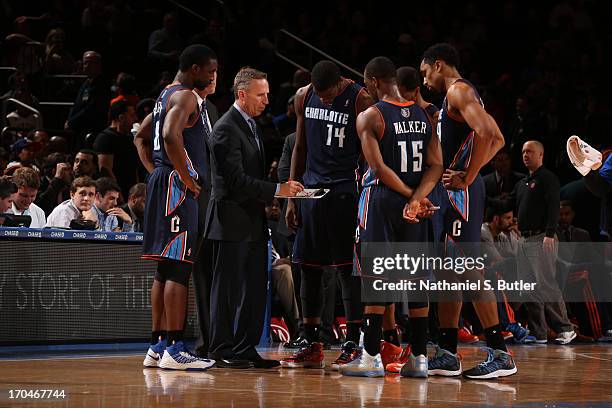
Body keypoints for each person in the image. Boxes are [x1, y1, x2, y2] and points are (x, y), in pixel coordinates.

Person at [339, 56, 443, 378]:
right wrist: (416, 198)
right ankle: (420, 360)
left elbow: (380, 169)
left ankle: (370, 356)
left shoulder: (371, 116)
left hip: (383, 200)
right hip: (416, 200)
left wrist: (405, 198)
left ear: (371, 82)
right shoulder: (425, 116)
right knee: (415, 276)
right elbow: (437, 165)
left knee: (377, 274)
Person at [419, 43, 515, 379]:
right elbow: (500, 139)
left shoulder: (458, 92)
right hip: (455, 191)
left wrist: (469, 175)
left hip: (462, 194)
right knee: (449, 273)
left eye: (426, 71)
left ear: (439, 64)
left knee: (468, 271)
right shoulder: (453, 98)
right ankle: (447, 352)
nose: (425, 79)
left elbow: (488, 133)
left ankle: (500, 354)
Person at [205, 67, 303, 369]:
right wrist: (277, 189)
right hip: (230, 220)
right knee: (228, 289)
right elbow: (235, 180)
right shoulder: (225, 128)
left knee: (255, 287)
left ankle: (246, 347)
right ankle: (221, 348)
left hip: (252, 220)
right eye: (261, 95)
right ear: (242, 94)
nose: (266, 100)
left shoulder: (252, 125)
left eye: (268, 94)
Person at [282, 60, 373, 370]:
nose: (323, 99)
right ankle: (310, 340)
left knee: (348, 270)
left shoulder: (359, 98)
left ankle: (353, 341)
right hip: (311, 192)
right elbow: (300, 147)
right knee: (308, 267)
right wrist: (293, 196)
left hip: (346, 190)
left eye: (328, 94)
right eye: (319, 94)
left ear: (341, 83)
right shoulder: (303, 96)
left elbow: (368, 150)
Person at [137, 44, 218, 371]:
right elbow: (170, 135)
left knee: (165, 269)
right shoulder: (184, 96)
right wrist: (186, 177)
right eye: (211, 71)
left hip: (163, 181)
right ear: (195, 69)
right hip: (176, 187)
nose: (214, 77)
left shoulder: (164, 96)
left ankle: (157, 345)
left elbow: (140, 136)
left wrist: (154, 171)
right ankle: (174, 347)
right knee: (180, 267)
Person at [491, 140, 576, 344]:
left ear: (541, 155)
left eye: (530, 152)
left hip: (542, 237)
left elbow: (554, 206)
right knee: (528, 286)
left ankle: (565, 328)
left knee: (545, 282)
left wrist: (549, 233)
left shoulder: (548, 178)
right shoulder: (522, 183)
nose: (525, 155)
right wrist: (479, 193)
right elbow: (506, 203)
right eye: (523, 152)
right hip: (524, 239)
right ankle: (539, 332)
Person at [93, 100, 139, 198]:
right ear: (121, 117)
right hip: (117, 195)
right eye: (132, 115)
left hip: (130, 192)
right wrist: (118, 195)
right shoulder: (105, 138)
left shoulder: (129, 137)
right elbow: (105, 169)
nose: (135, 119)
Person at [65, 51, 110, 148]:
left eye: (90, 63)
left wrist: (72, 122)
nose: (86, 66)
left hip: (92, 130)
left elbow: (90, 108)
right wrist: (69, 120)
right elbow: (77, 104)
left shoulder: (101, 84)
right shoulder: (86, 83)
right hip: (80, 130)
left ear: (98, 65)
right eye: (85, 63)